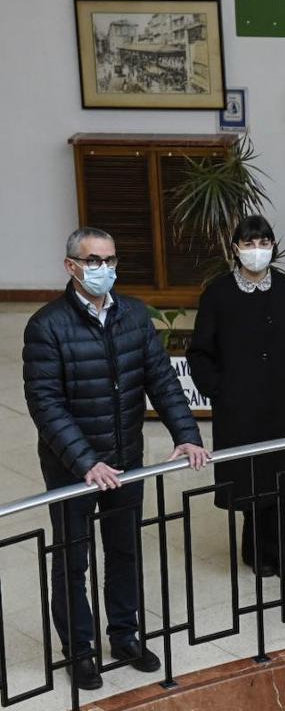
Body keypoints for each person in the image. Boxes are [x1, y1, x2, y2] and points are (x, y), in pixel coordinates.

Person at [23, 227, 210, 690]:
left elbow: (162, 380)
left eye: (109, 260)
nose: (102, 269)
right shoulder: (47, 326)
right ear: (71, 266)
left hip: (126, 458)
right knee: (73, 557)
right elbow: (46, 404)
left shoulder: (133, 315)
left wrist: (185, 434)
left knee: (124, 550)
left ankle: (125, 635)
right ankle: (80, 650)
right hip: (73, 468)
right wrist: (86, 462)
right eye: (92, 261)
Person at [187, 215, 285, 581]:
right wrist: (219, 390)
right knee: (249, 478)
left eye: (263, 243)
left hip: (282, 404)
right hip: (238, 406)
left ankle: (281, 553)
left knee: (279, 477)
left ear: (273, 246)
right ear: (235, 248)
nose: (256, 250)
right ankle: (259, 552)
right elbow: (200, 351)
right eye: (249, 243)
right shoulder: (218, 293)